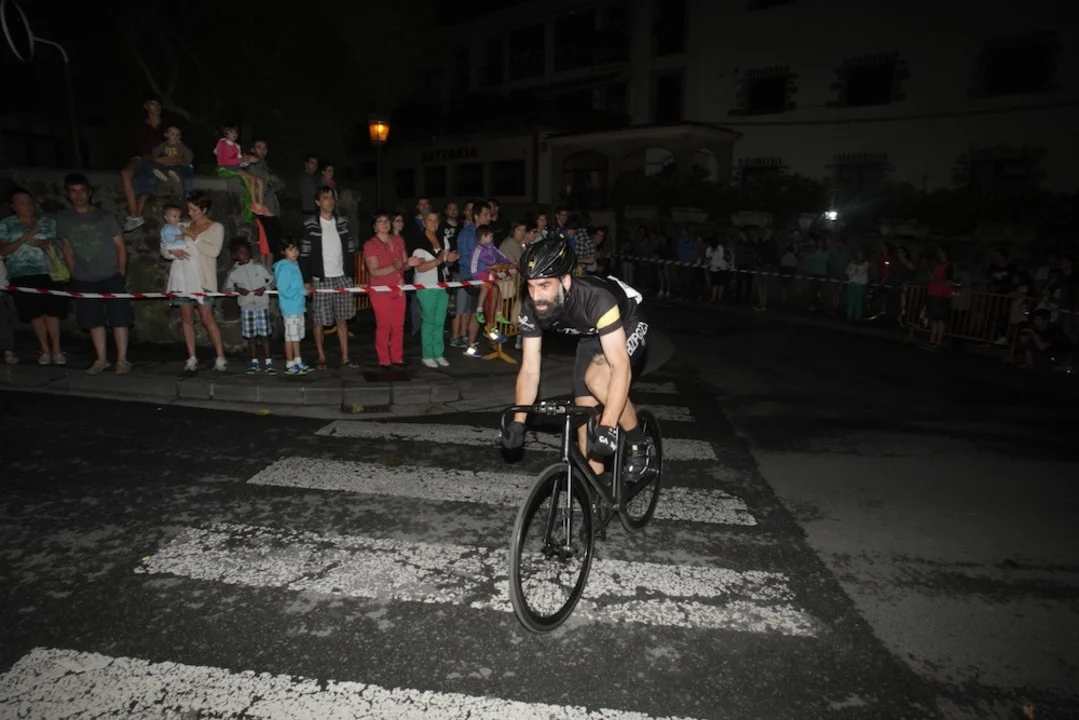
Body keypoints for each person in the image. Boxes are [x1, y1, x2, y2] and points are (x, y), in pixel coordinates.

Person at [500, 237, 651, 481]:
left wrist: (608, 426)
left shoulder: (596, 298)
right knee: (584, 426)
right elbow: (529, 369)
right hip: (591, 335)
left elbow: (620, 366)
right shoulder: (531, 306)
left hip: (626, 323)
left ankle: (638, 442)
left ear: (566, 280)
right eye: (531, 286)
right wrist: (519, 422)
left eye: (544, 285)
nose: (536, 296)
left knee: (597, 380)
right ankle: (596, 494)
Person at [57, 174, 134, 376]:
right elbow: (66, 247)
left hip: (110, 274)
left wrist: (121, 272)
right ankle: (101, 359)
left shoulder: (105, 217)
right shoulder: (64, 219)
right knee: (93, 320)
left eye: (82, 190)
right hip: (84, 278)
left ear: (89, 192)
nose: (79, 195)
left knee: (119, 318)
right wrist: (73, 272)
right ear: (67, 194)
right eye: (73, 191)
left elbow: (120, 246)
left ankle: (122, 359)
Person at [162, 191, 227, 372]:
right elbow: (165, 246)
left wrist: (191, 235)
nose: (189, 213)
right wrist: (171, 251)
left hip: (203, 281)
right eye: (189, 209)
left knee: (207, 318)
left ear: (204, 210)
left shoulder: (216, 228)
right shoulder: (182, 225)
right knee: (186, 317)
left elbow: (214, 251)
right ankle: (191, 357)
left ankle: (220, 356)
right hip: (182, 280)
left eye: (194, 210)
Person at [364, 212, 416, 368]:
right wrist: (395, 266)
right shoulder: (370, 245)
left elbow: (404, 265)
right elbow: (374, 271)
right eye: (380, 221)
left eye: (387, 221)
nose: (385, 224)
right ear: (374, 226)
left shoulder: (398, 240)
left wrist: (410, 263)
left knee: (398, 325)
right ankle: (384, 358)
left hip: (398, 287)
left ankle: (397, 357)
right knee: (384, 325)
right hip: (380, 290)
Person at [224, 240, 275, 374]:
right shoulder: (233, 272)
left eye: (247, 252)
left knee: (265, 334)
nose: (245, 255)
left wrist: (264, 288)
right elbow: (226, 289)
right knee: (251, 336)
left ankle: (268, 361)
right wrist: (237, 289)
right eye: (242, 253)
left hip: (262, 305)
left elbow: (272, 279)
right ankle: (254, 361)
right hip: (247, 307)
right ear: (235, 256)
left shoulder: (258, 265)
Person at [214, 122, 269, 216]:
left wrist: (248, 160)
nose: (235, 134)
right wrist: (243, 159)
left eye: (236, 132)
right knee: (252, 178)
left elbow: (240, 162)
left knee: (260, 181)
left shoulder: (236, 146)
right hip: (226, 168)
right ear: (225, 133)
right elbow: (225, 161)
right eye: (231, 132)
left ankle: (260, 204)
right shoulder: (222, 143)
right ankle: (254, 204)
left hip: (235, 167)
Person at [274, 240, 311, 375]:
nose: (295, 252)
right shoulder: (284, 268)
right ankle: (289, 363)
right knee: (290, 337)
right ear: (283, 252)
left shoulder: (294, 265)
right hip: (290, 308)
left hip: (297, 307)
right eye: (290, 249)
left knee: (296, 337)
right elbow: (284, 290)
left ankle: (297, 360)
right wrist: (302, 291)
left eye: (296, 249)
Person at [470, 224, 511, 331]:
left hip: (490, 273)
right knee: (485, 288)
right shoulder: (478, 249)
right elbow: (474, 263)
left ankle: (498, 314)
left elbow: (500, 255)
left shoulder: (492, 247)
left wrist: (507, 262)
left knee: (498, 292)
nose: (492, 238)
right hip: (481, 273)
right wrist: (475, 278)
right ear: (483, 236)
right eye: (490, 236)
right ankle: (479, 310)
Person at [160, 203, 202, 304]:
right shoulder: (170, 228)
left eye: (179, 216)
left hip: (198, 268)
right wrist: (171, 250)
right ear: (166, 217)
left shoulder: (182, 227)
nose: (190, 213)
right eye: (174, 216)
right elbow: (164, 244)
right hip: (180, 266)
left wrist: (187, 233)